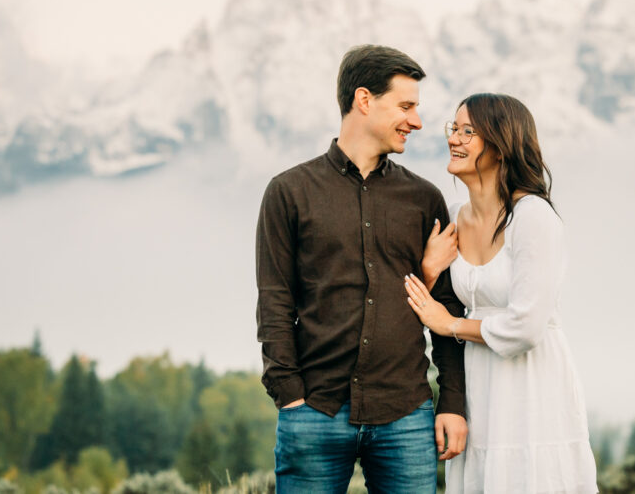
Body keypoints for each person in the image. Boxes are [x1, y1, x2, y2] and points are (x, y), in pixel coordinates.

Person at [256, 44, 467, 493]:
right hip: (313, 410)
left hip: (406, 415)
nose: (417, 121)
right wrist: (289, 394)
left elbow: (445, 306)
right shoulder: (289, 192)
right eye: (406, 106)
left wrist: (451, 401)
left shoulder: (425, 199)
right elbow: (275, 299)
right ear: (364, 100)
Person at [404, 93, 598, 494]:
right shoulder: (453, 217)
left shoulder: (533, 217)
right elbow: (429, 292)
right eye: (453, 129)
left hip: (530, 383)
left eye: (468, 131)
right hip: (477, 384)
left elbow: (526, 326)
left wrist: (451, 324)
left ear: (501, 144)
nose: (454, 138)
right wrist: (428, 269)